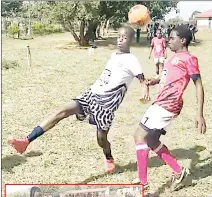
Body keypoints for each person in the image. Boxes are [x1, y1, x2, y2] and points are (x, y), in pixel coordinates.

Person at [8, 25, 149, 173]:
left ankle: (108, 157)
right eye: (119, 37)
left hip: (106, 106)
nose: (120, 40)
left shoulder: (132, 60)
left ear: (131, 40)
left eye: (124, 38)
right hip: (91, 94)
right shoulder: (114, 55)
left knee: (101, 140)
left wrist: (145, 88)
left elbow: (142, 79)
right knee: (62, 111)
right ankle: (26, 141)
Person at [133, 25, 206, 192]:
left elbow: (199, 85)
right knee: (151, 140)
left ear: (183, 40)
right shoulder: (173, 58)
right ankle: (179, 172)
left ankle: (142, 184)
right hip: (162, 101)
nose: (168, 41)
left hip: (167, 103)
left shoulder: (189, 59)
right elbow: (168, 78)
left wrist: (199, 113)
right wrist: (154, 81)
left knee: (139, 135)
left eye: (172, 38)